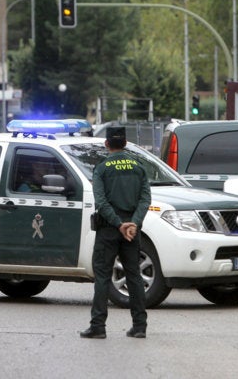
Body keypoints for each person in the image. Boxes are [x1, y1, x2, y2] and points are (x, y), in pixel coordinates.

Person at [80, 126, 151, 339]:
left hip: (109, 230)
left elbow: (101, 202)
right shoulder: (138, 166)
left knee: (102, 277)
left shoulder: (102, 168)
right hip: (131, 230)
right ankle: (139, 326)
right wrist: (133, 223)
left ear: (107, 144)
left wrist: (119, 224)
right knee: (134, 276)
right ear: (126, 143)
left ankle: (98, 326)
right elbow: (145, 199)